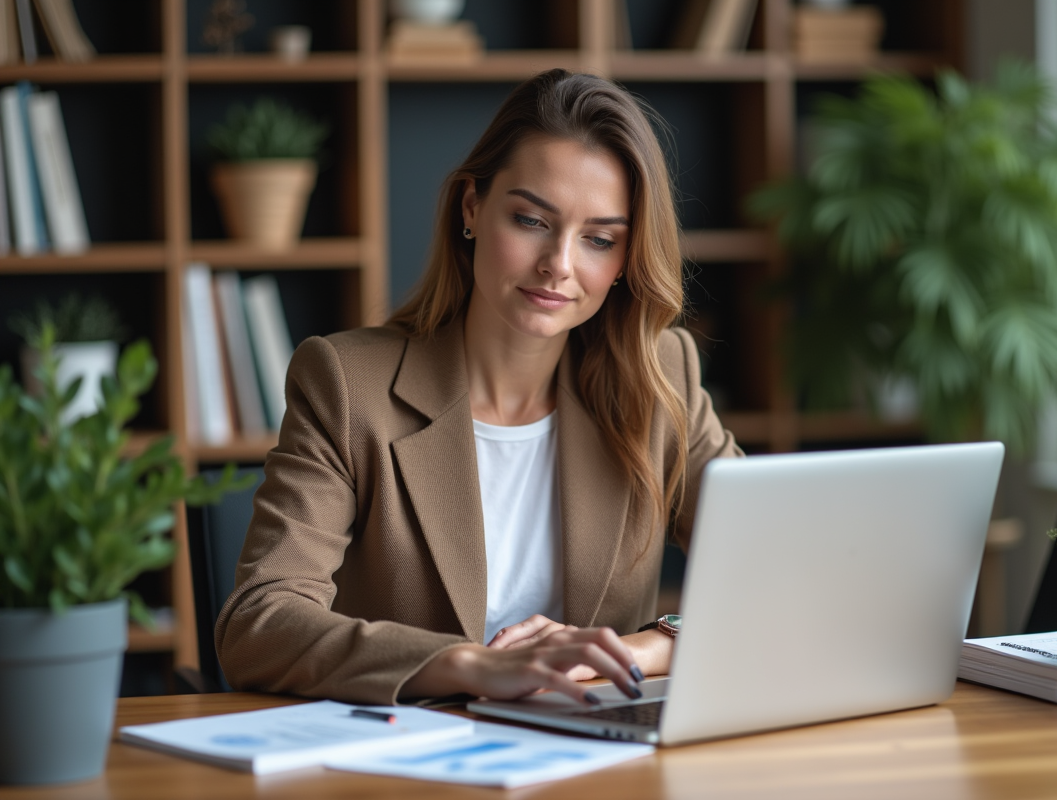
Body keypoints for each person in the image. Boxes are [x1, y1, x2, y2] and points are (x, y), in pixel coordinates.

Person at [214, 69, 740, 707]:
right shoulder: (349, 384)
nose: (559, 265)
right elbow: (259, 622)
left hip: (596, 759)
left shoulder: (661, 376)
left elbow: (780, 568)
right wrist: (466, 665)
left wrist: (644, 648)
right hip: (412, 762)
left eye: (600, 239)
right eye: (530, 220)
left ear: (626, 260)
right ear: (471, 207)